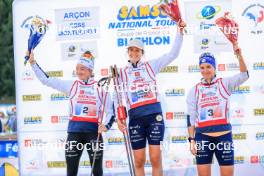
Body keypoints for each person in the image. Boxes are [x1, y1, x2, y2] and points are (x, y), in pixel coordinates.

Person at [27, 50, 115, 176]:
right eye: (78, 68)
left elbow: (111, 111)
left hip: (94, 134)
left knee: (97, 171)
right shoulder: (72, 85)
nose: (79, 71)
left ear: (90, 71)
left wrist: (106, 126)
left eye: (83, 69)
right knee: (71, 171)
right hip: (74, 134)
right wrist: (33, 63)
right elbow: (46, 80)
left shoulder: (100, 88)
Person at [115, 21, 185, 176]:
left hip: (154, 116)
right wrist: (118, 119)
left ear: (142, 52)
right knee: (139, 160)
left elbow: (173, 54)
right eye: (131, 50)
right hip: (135, 118)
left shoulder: (151, 66)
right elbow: (117, 97)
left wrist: (180, 32)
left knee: (155, 157)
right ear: (128, 52)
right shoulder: (121, 73)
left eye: (137, 50)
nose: (134, 53)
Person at [186, 42, 249, 176]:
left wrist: (239, 55)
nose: (205, 70)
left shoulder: (224, 83)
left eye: (208, 66)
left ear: (214, 67)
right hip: (202, 137)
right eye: (202, 67)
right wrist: (191, 141)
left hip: (224, 137)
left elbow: (244, 75)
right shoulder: (194, 90)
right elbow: (190, 118)